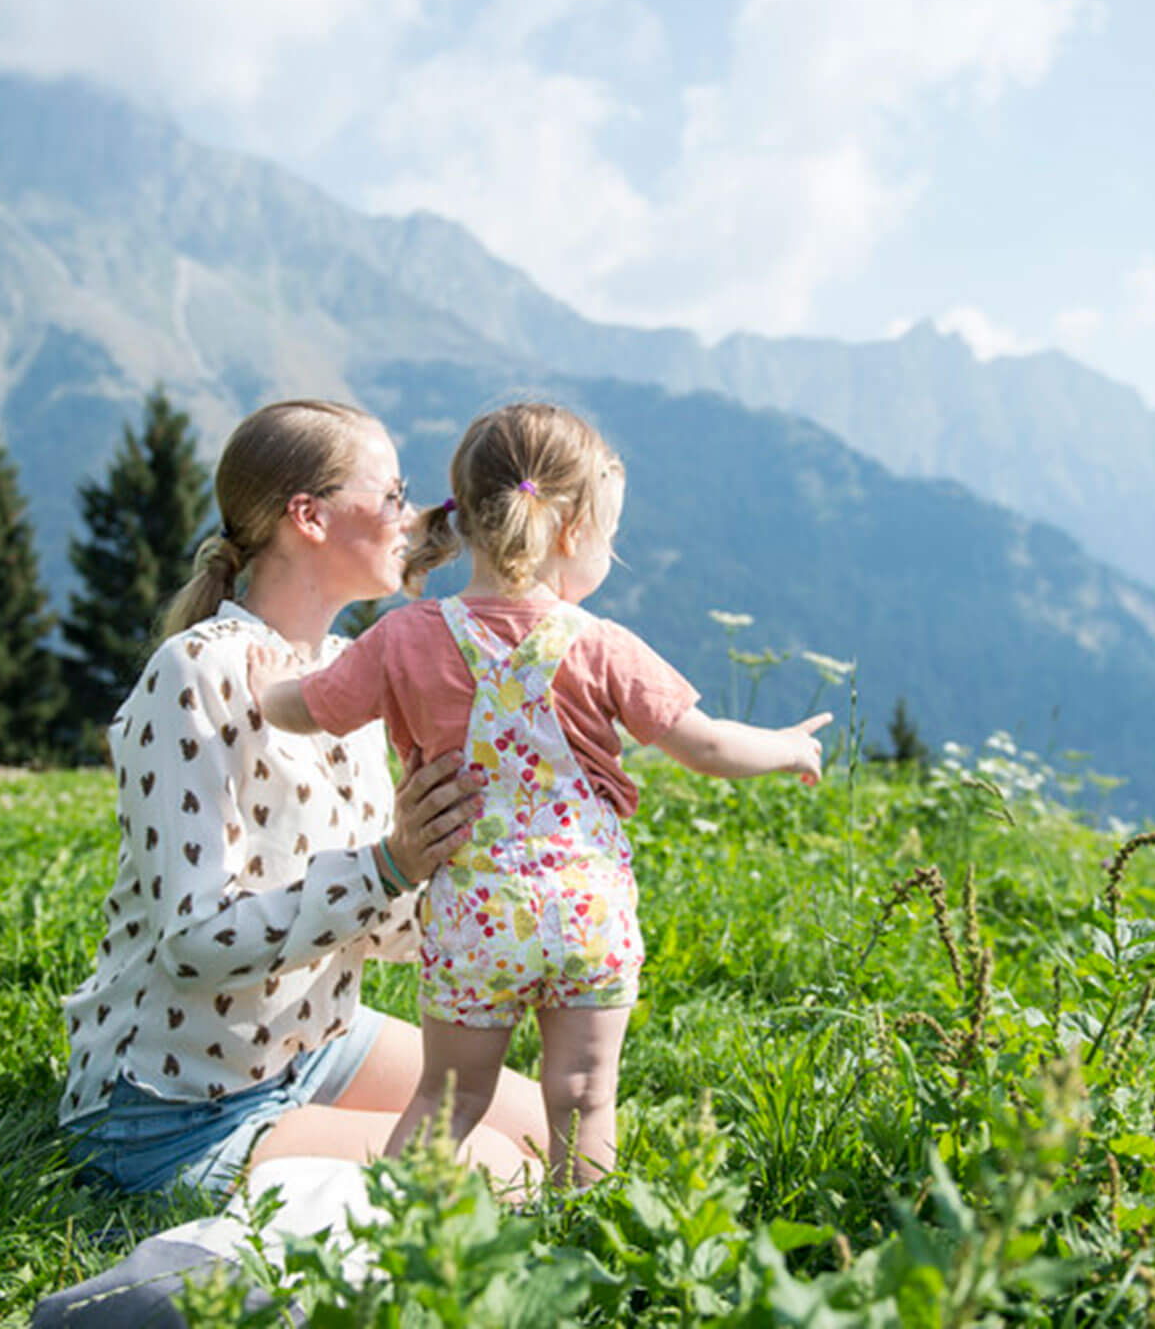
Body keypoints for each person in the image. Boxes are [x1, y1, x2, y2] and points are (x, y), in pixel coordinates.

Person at [249, 401, 830, 1186]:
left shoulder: (406, 637)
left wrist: (262, 683)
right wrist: (791, 746)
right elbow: (710, 745)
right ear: (568, 532)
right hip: (587, 915)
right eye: (609, 535)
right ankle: (585, 1251)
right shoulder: (602, 645)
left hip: (474, 921)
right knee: (587, 1098)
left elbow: (307, 707)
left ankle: (393, 1238)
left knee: (447, 1101)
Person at [56, 398, 547, 1199]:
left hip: (311, 1045)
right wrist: (390, 865)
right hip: (172, 1110)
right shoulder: (195, 672)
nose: (411, 516)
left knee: (563, 1133)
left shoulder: (352, 672)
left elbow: (376, 922)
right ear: (309, 517)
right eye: (390, 494)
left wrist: (500, 915)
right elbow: (194, 940)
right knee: (505, 1174)